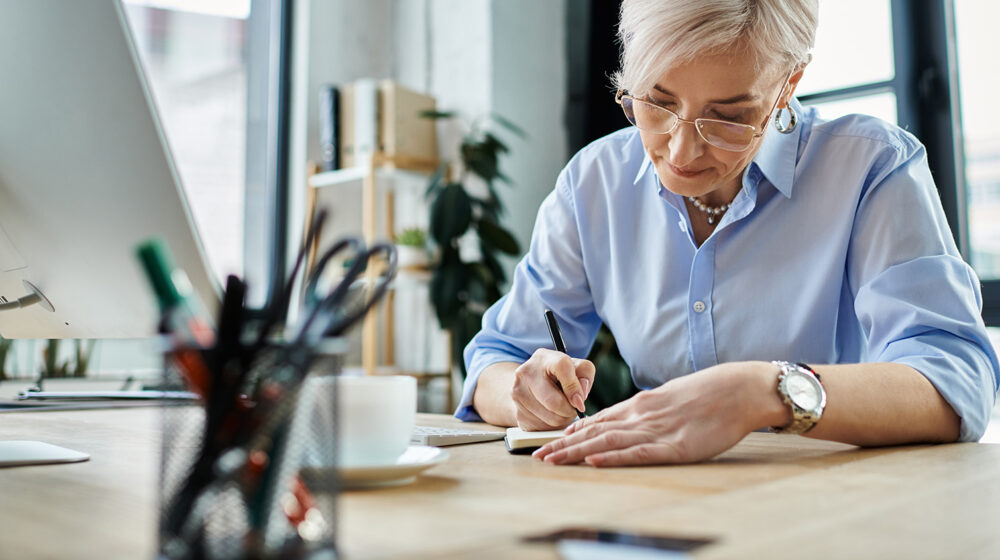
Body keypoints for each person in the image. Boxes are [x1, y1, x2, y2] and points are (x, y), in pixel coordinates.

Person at [455, 0, 1000, 467]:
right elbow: (497, 357)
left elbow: (955, 380)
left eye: (728, 117)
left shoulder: (869, 168)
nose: (681, 150)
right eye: (658, 102)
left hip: (835, 505)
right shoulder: (593, 182)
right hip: (657, 504)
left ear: (789, 83)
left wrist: (764, 391)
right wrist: (523, 392)